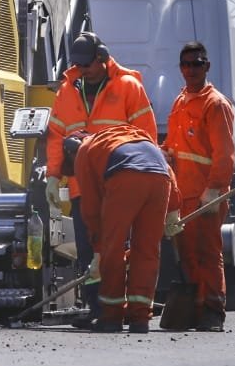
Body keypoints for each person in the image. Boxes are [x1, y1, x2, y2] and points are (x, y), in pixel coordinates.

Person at [44, 31, 157, 327]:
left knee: (117, 247)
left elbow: (147, 135)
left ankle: (118, 312)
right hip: (83, 184)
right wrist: (53, 177)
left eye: (89, 65)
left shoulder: (128, 87)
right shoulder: (67, 91)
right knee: (88, 248)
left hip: (120, 182)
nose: (85, 71)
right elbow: (56, 137)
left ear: (102, 57)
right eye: (79, 67)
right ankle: (97, 310)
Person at [68, 125, 179, 333]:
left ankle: (111, 317)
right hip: (160, 179)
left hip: (125, 176)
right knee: (147, 251)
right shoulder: (133, 134)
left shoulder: (84, 150)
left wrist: (98, 250)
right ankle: (140, 319)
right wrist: (174, 208)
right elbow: (163, 163)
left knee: (113, 249)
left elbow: (91, 208)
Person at [162, 41, 235, 332]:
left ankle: (213, 312)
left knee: (208, 252)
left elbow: (225, 153)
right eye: (185, 64)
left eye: (196, 63)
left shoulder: (215, 104)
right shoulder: (181, 101)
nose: (190, 69)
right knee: (188, 253)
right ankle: (194, 308)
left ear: (207, 66)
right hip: (183, 194)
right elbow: (175, 145)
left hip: (206, 194)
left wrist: (215, 189)